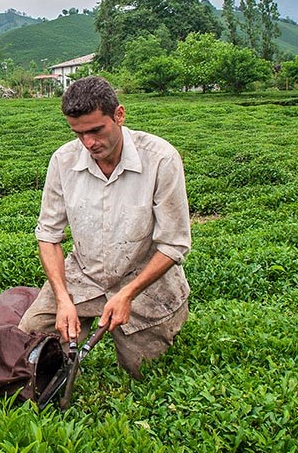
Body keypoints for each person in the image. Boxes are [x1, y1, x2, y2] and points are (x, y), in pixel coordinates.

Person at [18, 76, 191, 379]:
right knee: (29, 342)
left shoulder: (161, 159)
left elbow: (174, 244)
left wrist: (128, 293)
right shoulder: (63, 160)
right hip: (84, 275)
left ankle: (159, 321)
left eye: (96, 130)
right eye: (79, 133)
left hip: (144, 282)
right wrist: (62, 299)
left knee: (143, 372)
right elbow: (48, 236)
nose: (89, 143)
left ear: (119, 115)